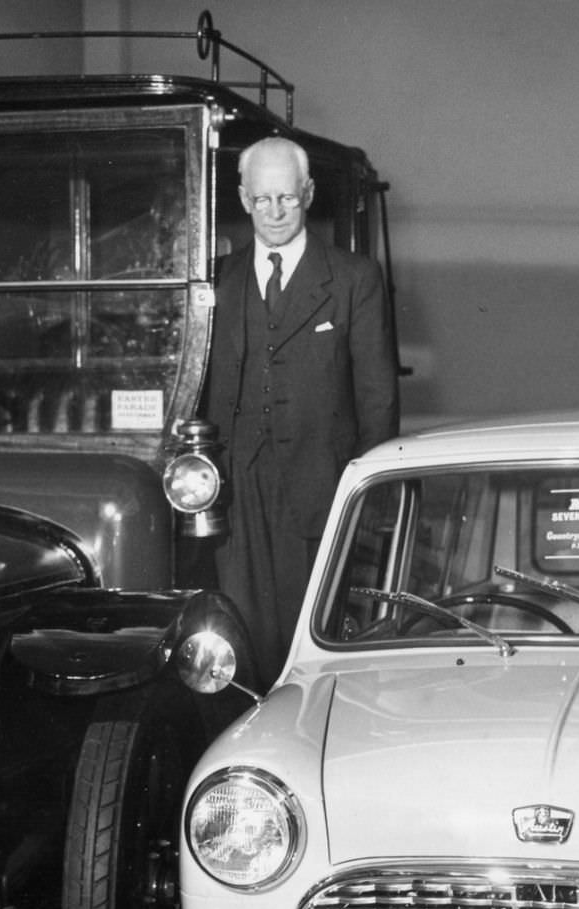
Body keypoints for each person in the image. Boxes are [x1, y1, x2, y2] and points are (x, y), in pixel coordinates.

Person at [201, 135, 400, 685]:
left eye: (286, 198)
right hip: (236, 492)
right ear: (243, 199)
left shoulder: (354, 278)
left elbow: (378, 398)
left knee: (307, 639)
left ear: (308, 193)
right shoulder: (218, 280)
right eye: (262, 199)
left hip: (318, 486)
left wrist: (363, 493)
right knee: (237, 639)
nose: (274, 212)